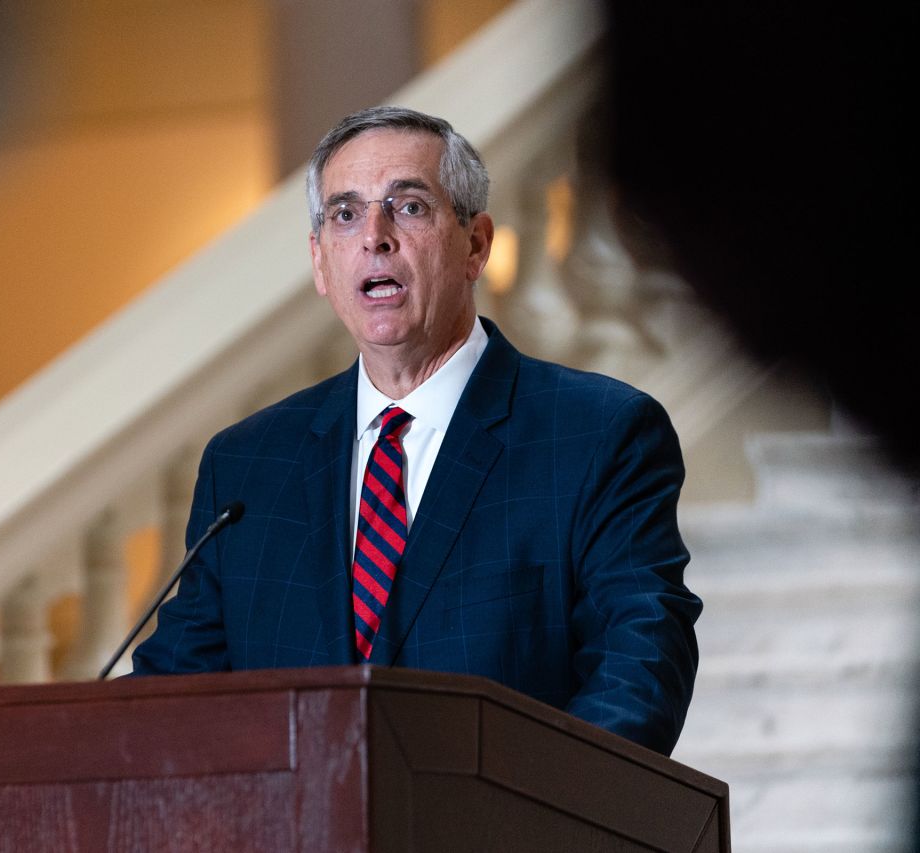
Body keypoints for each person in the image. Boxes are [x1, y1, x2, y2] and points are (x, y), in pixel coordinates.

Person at [132, 106, 700, 757]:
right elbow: (169, 705)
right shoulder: (246, 465)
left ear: (476, 244)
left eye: (408, 207)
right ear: (321, 263)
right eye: (345, 214)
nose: (374, 235)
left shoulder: (599, 434)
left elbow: (639, 670)